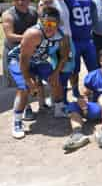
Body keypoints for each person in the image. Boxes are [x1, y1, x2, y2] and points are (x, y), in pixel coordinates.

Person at [8, 7, 68, 139]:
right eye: (45, 23)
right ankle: (17, 121)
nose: (48, 27)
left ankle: (59, 109)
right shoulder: (33, 34)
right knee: (24, 88)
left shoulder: (61, 36)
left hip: (39, 60)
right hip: (19, 61)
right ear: (41, 21)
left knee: (55, 80)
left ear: (58, 24)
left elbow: (64, 56)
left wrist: (55, 73)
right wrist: (29, 79)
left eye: (52, 23)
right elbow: (23, 60)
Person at [66, 0, 98, 98]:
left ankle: (93, 89)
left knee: (93, 67)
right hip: (74, 39)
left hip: (87, 38)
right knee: (74, 69)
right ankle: (75, 91)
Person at [2, 0, 38, 94]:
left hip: (30, 51)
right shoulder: (7, 15)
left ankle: (41, 105)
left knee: (33, 79)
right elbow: (10, 36)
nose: (20, 2)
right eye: (16, 0)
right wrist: (31, 37)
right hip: (13, 52)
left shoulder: (33, 12)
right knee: (21, 85)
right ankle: (26, 109)